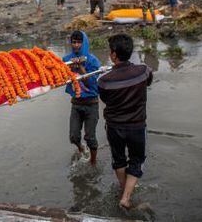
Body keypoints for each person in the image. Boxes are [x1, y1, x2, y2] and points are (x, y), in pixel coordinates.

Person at [98, 34, 153, 209]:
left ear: (114, 55)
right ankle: (126, 197)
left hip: (114, 127)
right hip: (137, 126)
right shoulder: (144, 71)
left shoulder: (104, 80)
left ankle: (123, 191)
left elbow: (106, 99)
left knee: (119, 159)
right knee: (137, 159)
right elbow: (148, 82)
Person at [63, 31, 101, 165]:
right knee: (73, 136)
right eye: (74, 42)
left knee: (90, 137)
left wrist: (81, 68)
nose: (76, 45)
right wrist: (68, 69)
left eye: (79, 42)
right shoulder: (66, 60)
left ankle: (93, 162)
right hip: (76, 104)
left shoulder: (93, 60)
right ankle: (81, 148)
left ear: (84, 43)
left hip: (92, 104)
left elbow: (94, 85)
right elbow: (61, 78)